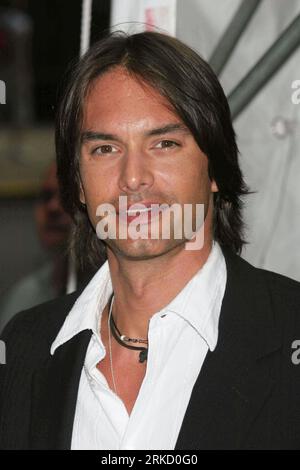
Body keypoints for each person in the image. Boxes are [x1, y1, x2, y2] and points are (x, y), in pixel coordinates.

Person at [0, 31, 300, 450]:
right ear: (79, 184)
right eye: (105, 149)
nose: (133, 177)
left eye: (164, 143)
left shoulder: (289, 331)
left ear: (215, 168)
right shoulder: (22, 349)